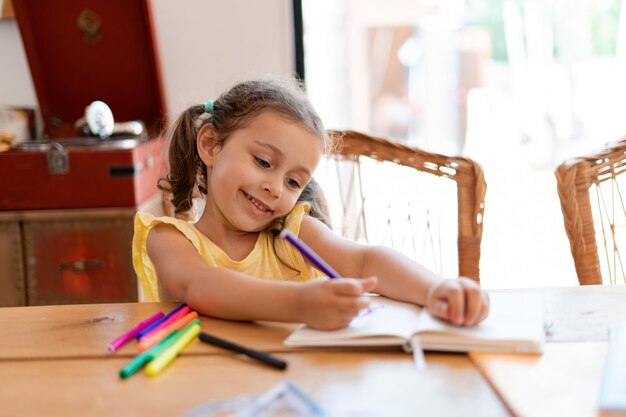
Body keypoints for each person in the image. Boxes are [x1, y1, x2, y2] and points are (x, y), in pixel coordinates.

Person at [133, 77, 489, 330]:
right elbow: (202, 287)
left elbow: (365, 260)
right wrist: (299, 303)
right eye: (263, 162)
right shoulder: (169, 239)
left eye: (293, 182)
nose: (275, 188)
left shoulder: (291, 231)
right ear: (211, 145)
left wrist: (434, 288)